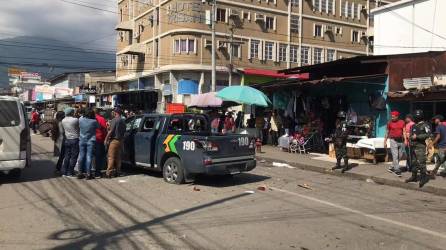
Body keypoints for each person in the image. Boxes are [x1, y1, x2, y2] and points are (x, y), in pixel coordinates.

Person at [405, 109, 431, 188]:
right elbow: (412, 134)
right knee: (413, 163)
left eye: (417, 116)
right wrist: (409, 137)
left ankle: (423, 179)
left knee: (421, 163)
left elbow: (428, 134)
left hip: (420, 147)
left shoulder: (425, 125)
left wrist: (418, 137)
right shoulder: (413, 125)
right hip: (413, 146)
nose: (416, 117)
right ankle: (414, 177)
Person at [105, 108, 126, 178]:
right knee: (118, 157)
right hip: (121, 140)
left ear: (116, 113)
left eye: (113, 112)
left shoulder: (114, 120)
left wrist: (106, 139)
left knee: (111, 157)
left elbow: (111, 131)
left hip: (114, 141)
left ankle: (109, 173)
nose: (112, 113)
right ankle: (118, 171)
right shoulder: (123, 121)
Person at [78, 109, 99, 180]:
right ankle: (88, 174)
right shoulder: (94, 121)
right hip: (91, 140)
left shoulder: (80, 120)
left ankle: (80, 173)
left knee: (81, 156)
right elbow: (98, 127)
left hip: (81, 139)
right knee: (89, 156)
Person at [384, 111, 406, 176]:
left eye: (393, 117)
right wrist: (385, 141)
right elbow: (387, 132)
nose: (392, 118)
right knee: (395, 155)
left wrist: (405, 140)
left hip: (401, 141)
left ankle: (391, 167)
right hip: (393, 140)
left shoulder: (402, 122)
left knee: (400, 155)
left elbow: (404, 131)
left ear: (397, 116)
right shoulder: (389, 123)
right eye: (391, 116)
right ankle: (397, 170)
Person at [61, 108, 80, 178]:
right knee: (74, 156)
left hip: (67, 139)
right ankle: (70, 172)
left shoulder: (63, 120)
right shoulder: (75, 120)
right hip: (75, 139)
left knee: (67, 156)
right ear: (72, 112)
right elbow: (79, 128)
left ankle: (64, 172)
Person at [95, 108, 108, 178]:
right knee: (99, 156)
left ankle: (87, 171)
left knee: (89, 155)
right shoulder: (101, 119)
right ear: (99, 112)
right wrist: (106, 138)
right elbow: (105, 129)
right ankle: (97, 172)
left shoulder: (88, 118)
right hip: (99, 139)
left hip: (90, 139)